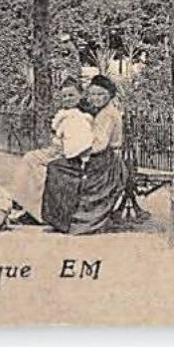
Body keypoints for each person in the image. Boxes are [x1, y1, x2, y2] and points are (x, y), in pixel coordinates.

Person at [45, 74, 127, 235]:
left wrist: (77, 152)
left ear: (109, 95)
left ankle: (71, 220)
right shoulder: (102, 111)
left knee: (56, 168)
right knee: (57, 166)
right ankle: (62, 218)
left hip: (105, 163)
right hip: (98, 158)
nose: (95, 98)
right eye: (93, 94)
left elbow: (99, 145)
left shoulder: (108, 115)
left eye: (100, 94)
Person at [6, 77, 93, 225]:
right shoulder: (65, 114)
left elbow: (78, 143)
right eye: (64, 96)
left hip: (71, 156)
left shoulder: (80, 116)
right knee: (29, 158)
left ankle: (38, 211)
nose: (68, 99)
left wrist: (62, 150)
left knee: (39, 170)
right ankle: (21, 200)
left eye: (71, 95)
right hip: (57, 150)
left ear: (80, 95)